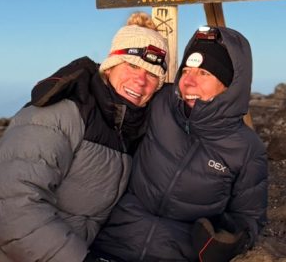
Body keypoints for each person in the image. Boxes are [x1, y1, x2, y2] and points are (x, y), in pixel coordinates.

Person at [0, 12, 168, 262]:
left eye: (152, 74)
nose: (141, 80)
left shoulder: (125, 129)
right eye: (132, 65)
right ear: (111, 65)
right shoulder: (60, 112)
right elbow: (16, 203)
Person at [92, 25, 268, 262]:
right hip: (108, 243)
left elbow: (249, 218)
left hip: (177, 254)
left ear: (230, 85)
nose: (188, 83)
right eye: (186, 71)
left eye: (204, 74)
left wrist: (228, 239)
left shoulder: (247, 149)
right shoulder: (160, 103)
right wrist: (80, 76)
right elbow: (111, 95)